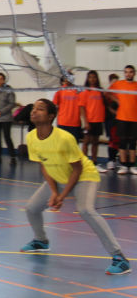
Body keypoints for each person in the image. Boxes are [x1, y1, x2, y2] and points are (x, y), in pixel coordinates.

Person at [19, 99, 130, 275]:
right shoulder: (31, 137)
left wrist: (61, 197)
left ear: (50, 116)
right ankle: (41, 241)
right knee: (32, 208)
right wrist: (54, 191)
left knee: (85, 209)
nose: (34, 111)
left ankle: (119, 258)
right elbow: (43, 164)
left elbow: (77, 169)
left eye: (40, 109)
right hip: (58, 176)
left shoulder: (64, 138)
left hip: (84, 176)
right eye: (33, 108)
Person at [108, 65, 137, 175]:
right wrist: (117, 100)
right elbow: (108, 92)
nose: (128, 74)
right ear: (124, 73)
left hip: (134, 118)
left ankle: (132, 165)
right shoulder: (119, 84)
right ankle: (124, 165)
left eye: (130, 72)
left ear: (134, 73)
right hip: (122, 118)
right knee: (123, 142)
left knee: (132, 142)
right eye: (126, 72)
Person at [0, 72, 18, 165]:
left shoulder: (9, 90)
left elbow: (11, 103)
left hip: (6, 118)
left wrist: (1, 112)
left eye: (1, 79)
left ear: (4, 80)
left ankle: (13, 157)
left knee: (7, 137)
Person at [79, 70, 106, 165]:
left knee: (95, 142)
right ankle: (84, 162)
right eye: (90, 77)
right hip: (89, 121)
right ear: (88, 79)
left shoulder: (100, 91)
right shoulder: (85, 92)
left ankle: (94, 161)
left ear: (97, 78)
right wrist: (85, 122)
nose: (92, 79)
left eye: (94, 77)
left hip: (98, 121)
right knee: (86, 142)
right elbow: (82, 107)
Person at [53, 76, 83, 142]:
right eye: (66, 77)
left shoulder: (78, 90)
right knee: (62, 145)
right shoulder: (60, 90)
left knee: (74, 146)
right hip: (62, 123)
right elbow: (55, 105)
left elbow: (82, 106)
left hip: (75, 123)